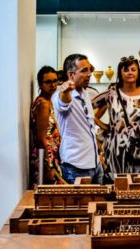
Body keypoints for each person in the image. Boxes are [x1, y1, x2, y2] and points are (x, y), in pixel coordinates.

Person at [93, 55, 140, 177]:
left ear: (138, 73)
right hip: (116, 150)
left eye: (133, 69)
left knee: (138, 185)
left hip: (139, 151)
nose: (130, 73)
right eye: (126, 70)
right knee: (116, 184)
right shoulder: (112, 93)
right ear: (120, 73)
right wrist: (104, 126)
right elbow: (87, 107)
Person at [53, 53, 104, 184]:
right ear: (71, 75)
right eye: (84, 71)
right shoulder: (63, 95)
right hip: (75, 166)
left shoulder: (85, 93)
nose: (89, 74)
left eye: (89, 70)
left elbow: (89, 124)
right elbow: (64, 102)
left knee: (98, 204)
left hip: (94, 164)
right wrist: (65, 91)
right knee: (78, 205)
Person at [30, 66, 65, 186]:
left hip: (51, 157)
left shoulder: (47, 101)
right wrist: (49, 166)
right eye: (48, 82)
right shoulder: (43, 104)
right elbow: (41, 139)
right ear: (40, 84)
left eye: (55, 81)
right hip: (45, 159)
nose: (53, 85)